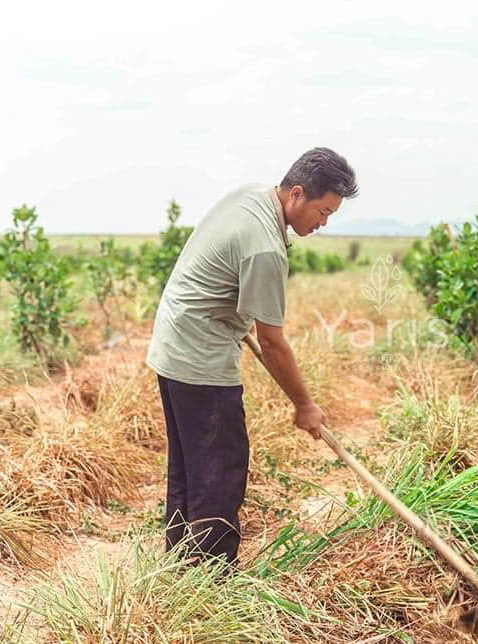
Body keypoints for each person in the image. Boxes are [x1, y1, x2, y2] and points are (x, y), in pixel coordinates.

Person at [145, 147, 358, 565]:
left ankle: (181, 570)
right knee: (219, 473)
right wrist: (304, 405)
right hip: (200, 359)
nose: (323, 223)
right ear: (297, 194)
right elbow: (274, 343)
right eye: (323, 211)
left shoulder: (254, 196)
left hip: (173, 346)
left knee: (189, 468)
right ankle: (211, 582)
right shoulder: (266, 249)